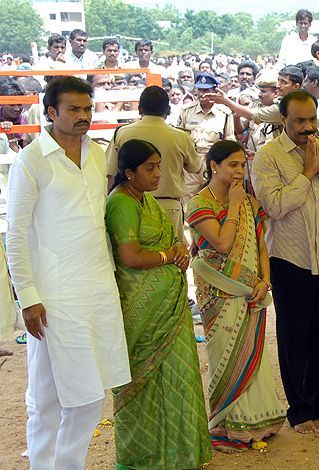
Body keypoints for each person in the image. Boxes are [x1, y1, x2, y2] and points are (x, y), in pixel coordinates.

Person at [6, 76, 130, 468]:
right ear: (51, 112)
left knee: (90, 393)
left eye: (87, 109)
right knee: (48, 398)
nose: (83, 116)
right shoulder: (32, 160)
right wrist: (28, 297)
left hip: (97, 289)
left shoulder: (96, 154)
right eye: (74, 109)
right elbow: (16, 235)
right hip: (53, 294)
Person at [251, 90, 319, 434]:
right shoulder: (267, 157)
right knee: (293, 337)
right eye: (300, 121)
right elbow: (275, 206)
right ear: (283, 119)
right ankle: (298, 410)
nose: (308, 127)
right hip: (288, 259)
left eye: (312, 120)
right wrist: (307, 174)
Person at [105, 139, 211, 467]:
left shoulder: (146, 199)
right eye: (150, 168)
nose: (157, 174)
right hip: (142, 311)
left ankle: (178, 454)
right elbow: (131, 256)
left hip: (168, 307)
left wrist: (178, 249)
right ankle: (143, 457)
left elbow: (172, 239)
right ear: (129, 172)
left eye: (159, 167)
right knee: (143, 383)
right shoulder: (121, 203)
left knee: (178, 377)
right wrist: (168, 256)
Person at [187, 140, 287, 450]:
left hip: (251, 290)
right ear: (213, 166)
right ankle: (227, 425)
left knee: (254, 355)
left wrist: (265, 281)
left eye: (242, 165)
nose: (239, 171)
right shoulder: (199, 204)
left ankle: (259, 421)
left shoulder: (250, 204)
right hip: (218, 293)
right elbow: (222, 243)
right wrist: (233, 204)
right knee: (225, 355)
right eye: (232, 165)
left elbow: (261, 247)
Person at [105, 86, 202, 236]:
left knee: (131, 248)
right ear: (168, 110)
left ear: (140, 108)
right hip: (169, 207)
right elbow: (196, 167)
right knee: (172, 249)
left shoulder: (123, 133)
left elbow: (109, 172)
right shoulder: (180, 137)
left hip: (130, 205)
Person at [177, 72, 235, 196]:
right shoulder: (186, 111)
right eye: (200, 90)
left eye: (206, 90)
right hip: (191, 163)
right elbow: (179, 138)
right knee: (188, 199)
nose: (202, 94)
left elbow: (229, 140)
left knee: (215, 197)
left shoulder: (225, 113)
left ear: (215, 91)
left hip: (214, 163)